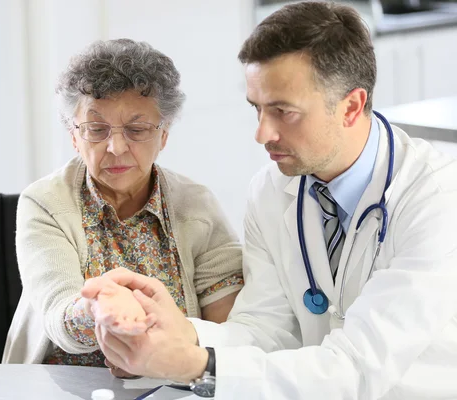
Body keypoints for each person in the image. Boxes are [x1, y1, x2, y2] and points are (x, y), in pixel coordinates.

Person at [80, 2, 457, 398]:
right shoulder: (272, 189)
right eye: (257, 109)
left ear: (351, 107)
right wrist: (179, 331)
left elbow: (356, 368)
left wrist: (195, 364)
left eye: (282, 111)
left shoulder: (437, 199)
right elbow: (264, 329)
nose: (262, 134)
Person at [1, 39, 244, 373]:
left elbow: (230, 325)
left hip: (172, 383)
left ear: (164, 134)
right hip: (62, 384)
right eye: (96, 129)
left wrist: (173, 355)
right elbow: (57, 315)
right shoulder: (44, 203)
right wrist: (99, 310)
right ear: (74, 136)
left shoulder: (196, 204)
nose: (115, 147)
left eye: (136, 129)